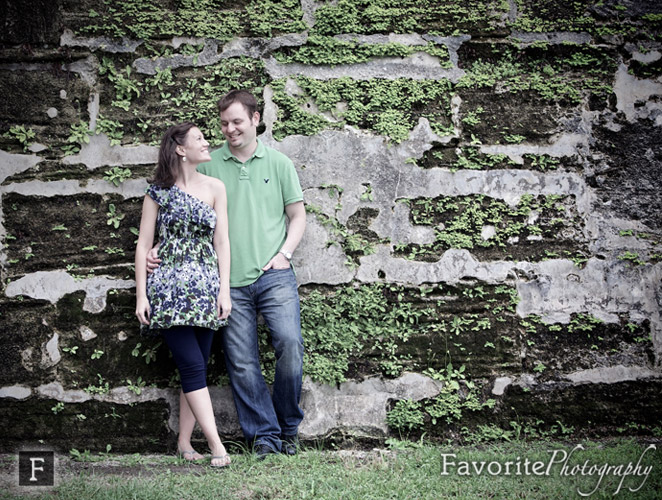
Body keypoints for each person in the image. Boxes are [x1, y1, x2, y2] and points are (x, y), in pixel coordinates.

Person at [148, 90, 306, 459]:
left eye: (236, 121)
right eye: (223, 124)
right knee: (241, 360)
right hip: (225, 280)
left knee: (290, 347)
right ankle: (264, 437)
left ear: (255, 119)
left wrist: (285, 254)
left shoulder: (280, 163)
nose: (229, 129)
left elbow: (297, 216)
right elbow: (181, 201)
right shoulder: (208, 163)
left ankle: (288, 429)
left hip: (274, 272)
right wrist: (162, 244)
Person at [135, 122, 232, 468]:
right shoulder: (157, 191)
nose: (207, 143)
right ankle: (217, 445)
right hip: (170, 292)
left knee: (197, 371)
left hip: (205, 289)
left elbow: (222, 242)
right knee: (191, 366)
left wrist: (224, 290)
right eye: (199, 139)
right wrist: (141, 296)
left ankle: (183, 442)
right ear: (179, 148)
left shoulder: (216, 188)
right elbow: (143, 245)